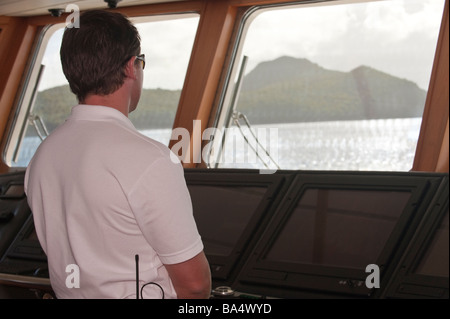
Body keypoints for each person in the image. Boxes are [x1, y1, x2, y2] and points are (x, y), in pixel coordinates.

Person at [24, 10, 211, 299]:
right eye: (141, 62)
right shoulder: (151, 160)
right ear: (130, 67)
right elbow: (195, 285)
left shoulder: (42, 157)